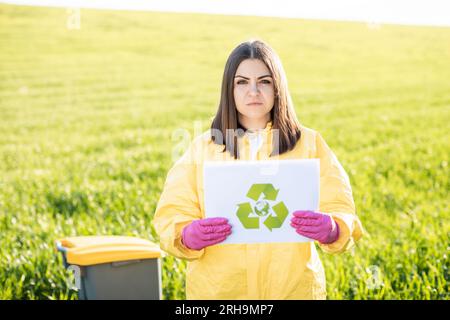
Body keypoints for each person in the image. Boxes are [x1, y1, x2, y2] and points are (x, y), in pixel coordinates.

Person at [152, 39, 364, 300]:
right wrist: (185, 235)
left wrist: (333, 229)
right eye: (242, 82)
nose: (253, 91)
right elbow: (171, 212)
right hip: (219, 293)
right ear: (229, 90)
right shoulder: (202, 148)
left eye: (264, 81)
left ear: (278, 88)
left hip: (293, 290)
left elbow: (341, 207)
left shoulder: (309, 144)